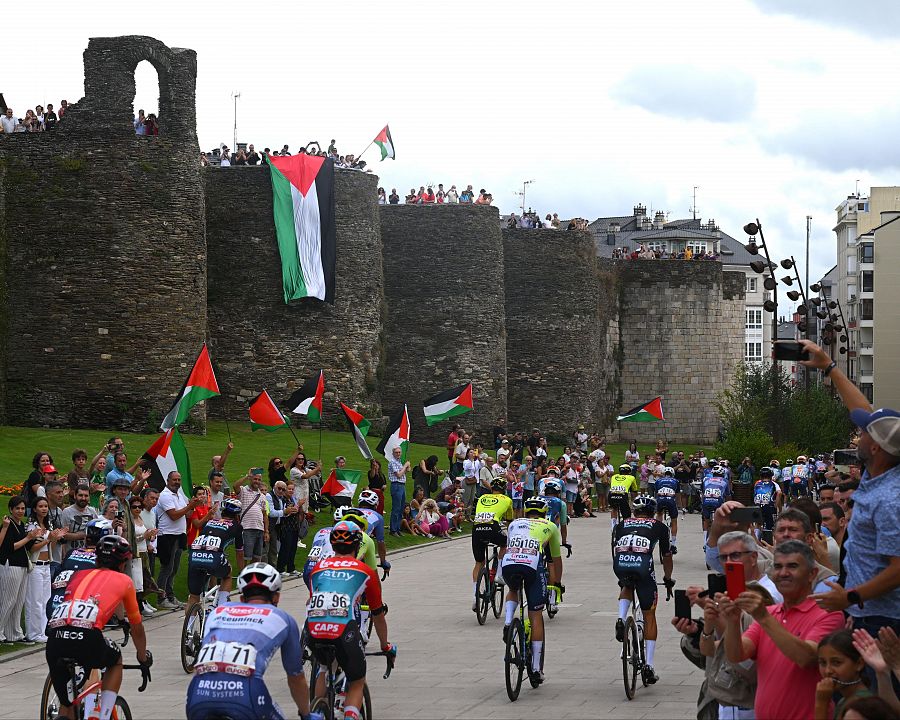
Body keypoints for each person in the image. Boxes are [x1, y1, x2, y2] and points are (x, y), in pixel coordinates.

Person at [719, 540, 844, 720]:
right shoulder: (770, 613)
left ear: (812, 574)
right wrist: (732, 621)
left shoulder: (828, 614)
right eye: (777, 567)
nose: (783, 573)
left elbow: (806, 657)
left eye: (792, 566)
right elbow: (736, 655)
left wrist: (763, 617)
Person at [186, 562, 321, 720]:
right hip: (245, 695)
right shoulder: (283, 619)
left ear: (242, 598)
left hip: (198, 694)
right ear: (276, 596)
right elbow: (296, 677)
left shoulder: (217, 612)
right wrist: (306, 714)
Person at [46, 535, 151, 720]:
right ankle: (103, 715)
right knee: (115, 660)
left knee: (67, 704)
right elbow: (137, 627)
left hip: (55, 638)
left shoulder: (79, 575)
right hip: (86, 637)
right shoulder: (124, 581)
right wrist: (142, 658)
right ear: (122, 563)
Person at [306, 521, 396, 720]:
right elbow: (377, 614)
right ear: (357, 545)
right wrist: (385, 645)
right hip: (343, 630)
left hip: (313, 629)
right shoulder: (365, 571)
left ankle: (318, 712)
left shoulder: (319, 568)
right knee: (357, 680)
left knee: (322, 667)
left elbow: (315, 600)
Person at [500, 497, 563, 684]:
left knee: (513, 588)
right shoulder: (550, 526)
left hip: (510, 563)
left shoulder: (515, 523)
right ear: (544, 513)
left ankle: (508, 622)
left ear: (526, 512)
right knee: (535, 616)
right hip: (533, 565)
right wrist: (557, 583)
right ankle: (535, 668)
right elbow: (555, 560)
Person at [612, 494, 674, 685]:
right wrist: (668, 578)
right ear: (653, 512)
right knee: (649, 615)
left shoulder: (620, 526)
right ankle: (648, 664)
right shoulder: (660, 527)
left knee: (626, 584)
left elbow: (617, 548)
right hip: (643, 567)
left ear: (634, 511)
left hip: (620, 564)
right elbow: (666, 556)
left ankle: (621, 618)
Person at [185, 497, 242, 617]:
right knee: (227, 575)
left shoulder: (209, 522)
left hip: (194, 556)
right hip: (214, 557)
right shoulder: (237, 526)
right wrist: (242, 571)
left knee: (194, 596)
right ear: (237, 516)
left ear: (222, 512)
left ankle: (189, 630)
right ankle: (220, 609)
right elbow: (239, 551)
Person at [156, 471, 199, 608]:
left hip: (179, 534)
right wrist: (189, 506)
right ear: (168, 480)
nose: (177, 482)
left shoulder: (179, 495)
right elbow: (173, 515)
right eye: (174, 480)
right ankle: (161, 598)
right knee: (166, 568)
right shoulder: (165, 496)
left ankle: (170, 595)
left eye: (179, 480)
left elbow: (188, 514)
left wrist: (194, 505)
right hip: (167, 535)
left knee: (174, 568)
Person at [470, 476, 514, 612]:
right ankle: (500, 574)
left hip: (477, 528)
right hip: (492, 527)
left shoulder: (482, 498)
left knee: (479, 562)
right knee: (505, 544)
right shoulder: (507, 499)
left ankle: (474, 597)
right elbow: (509, 520)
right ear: (504, 489)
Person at [815, 630, 875, 720]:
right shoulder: (844, 700)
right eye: (823, 663)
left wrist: (821, 704)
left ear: (859, 664)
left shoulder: (861, 706)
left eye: (836, 663)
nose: (828, 671)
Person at [234, 468, 270, 563]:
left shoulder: (262, 495)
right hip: (247, 528)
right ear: (251, 479)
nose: (257, 481)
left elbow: (265, 515)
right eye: (255, 479)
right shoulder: (243, 490)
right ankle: (244, 575)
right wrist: (247, 476)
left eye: (259, 480)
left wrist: (266, 531)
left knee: (257, 557)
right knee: (246, 556)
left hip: (260, 529)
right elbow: (235, 486)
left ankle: (252, 576)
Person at [356, 490, 390, 573]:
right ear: (376, 504)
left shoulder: (349, 510)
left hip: (338, 540)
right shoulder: (377, 516)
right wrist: (383, 562)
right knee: (373, 576)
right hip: (360, 541)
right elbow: (380, 543)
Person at [654, 466, 680, 552]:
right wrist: (681, 507)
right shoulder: (676, 481)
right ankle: (673, 544)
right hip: (670, 501)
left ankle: (657, 531)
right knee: (674, 520)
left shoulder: (658, 481)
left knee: (659, 514)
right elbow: (677, 495)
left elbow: (656, 493)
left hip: (660, 500)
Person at [387, 447, 410, 537]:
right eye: (396, 452)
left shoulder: (400, 462)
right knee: (396, 508)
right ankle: (393, 530)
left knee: (401, 508)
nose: (398, 454)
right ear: (393, 453)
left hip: (402, 485)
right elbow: (399, 474)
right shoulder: (392, 462)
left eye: (400, 452)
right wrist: (405, 466)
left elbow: (407, 470)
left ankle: (397, 528)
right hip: (396, 485)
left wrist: (408, 465)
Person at [607, 463, 639, 529]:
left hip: (611, 494)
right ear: (629, 471)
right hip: (622, 495)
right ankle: (626, 527)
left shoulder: (614, 476)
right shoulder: (631, 477)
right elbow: (634, 490)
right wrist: (634, 500)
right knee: (626, 513)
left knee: (614, 508)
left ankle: (613, 525)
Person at [753, 466, 783, 531]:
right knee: (770, 526)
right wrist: (776, 504)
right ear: (771, 476)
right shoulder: (774, 484)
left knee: (757, 523)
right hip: (769, 506)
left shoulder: (757, 483)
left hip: (758, 505)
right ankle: (768, 538)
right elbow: (779, 493)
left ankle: (756, 535)